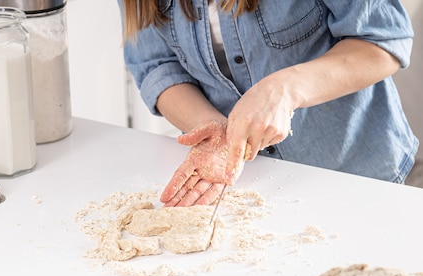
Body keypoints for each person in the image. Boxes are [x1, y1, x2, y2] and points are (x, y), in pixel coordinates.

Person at [119, 0, 419, 207]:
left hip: (353, 170)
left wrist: (285, 89)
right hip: (252, 183)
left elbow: (382, 43)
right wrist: (215, 132)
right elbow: (156, 66)